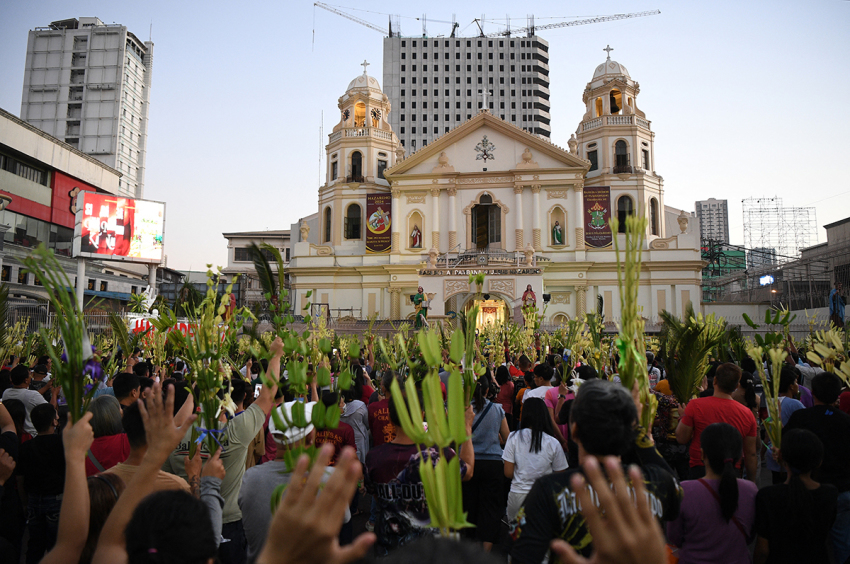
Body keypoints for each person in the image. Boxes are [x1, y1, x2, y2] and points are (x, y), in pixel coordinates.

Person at [510, 379, 682, 564]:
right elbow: (675, 493)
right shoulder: (656, 483)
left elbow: (520, 555)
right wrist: (638, 430)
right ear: (629, 431)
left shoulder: (548, 490)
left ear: (574, 430)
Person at [160, 336, 284, 564]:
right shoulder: (235, 431)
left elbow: (179, 420)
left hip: (181, 520)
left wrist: (198, 385)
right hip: (229, 524)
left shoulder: (175, 434)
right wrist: (276, 355)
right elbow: (268, 394)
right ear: (228, 401)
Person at [364, 385, 474, 555]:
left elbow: (378, 498)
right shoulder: (439, 455)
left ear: (391, 420)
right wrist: (467, 429)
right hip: (430, 552)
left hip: (389, 552)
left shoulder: (374, 458)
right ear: (421, 415)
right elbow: (468, 472)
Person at [667, 423, 758, 564]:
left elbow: (674, 537)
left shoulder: (684, 490)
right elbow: (751, 535)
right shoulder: (750, 490)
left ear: (702, 454)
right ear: (739, 455)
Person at [783, 372, 850, 563]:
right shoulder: (846, 422)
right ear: (838, 394)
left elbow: (786, 445)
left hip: (803, 490)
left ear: (813, 392)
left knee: (805, 541)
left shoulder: (800, 417)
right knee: (842, 543)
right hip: (842, 489)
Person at [754, 429, 838, 564]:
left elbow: (762, 550)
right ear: (819, 461)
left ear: (781, 457)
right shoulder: (829, 494)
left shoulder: (767, 496)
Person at [676, 363, 758, 481]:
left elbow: (681, 438)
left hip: (700, 468)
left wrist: (682, 417)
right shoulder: (747, 414)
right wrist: (751, 482)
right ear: (736, 386)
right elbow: (751, 454)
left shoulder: (695, 405)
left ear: (714, 381)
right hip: (732, 471)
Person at [462, 375, 509, 551]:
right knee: (490, 508)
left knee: (470, 506)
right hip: (493, 464)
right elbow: (506, 437)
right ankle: (486, 553)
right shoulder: (497, 409)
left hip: (468, 464)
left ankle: (471, 548)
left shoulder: (463, 410)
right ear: (488, 390)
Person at [503, 397, 567, 521]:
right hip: (544, 497)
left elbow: (508, 472)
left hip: (518, 495)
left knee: (517, 536)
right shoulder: (553, 443)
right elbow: (560, 474)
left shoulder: (513, 437)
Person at [17, 403, 65, 563]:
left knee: (35, 543)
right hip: (57, 500)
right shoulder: (62, 444)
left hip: (33, 500)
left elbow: (20, 477)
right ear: (54, 422)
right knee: (56, 545)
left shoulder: (26, 447)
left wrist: (25, 502)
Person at [764, 366, 805, 484]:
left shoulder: (772, 402)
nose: (797, 385)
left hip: (773, 452)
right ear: (791, 386)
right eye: (796, 382)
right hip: (789, 453)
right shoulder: (795, 404)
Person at [2, 364, 56, 435]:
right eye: (29, 375)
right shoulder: (32, 396)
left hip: (11, 432)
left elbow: (27, 395)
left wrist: (46, 387)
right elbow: (50, 409)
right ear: (26, 380)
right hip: (30, 434)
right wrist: (54, 394)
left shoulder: (6, 392)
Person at [85, 395, 130, 476]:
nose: (122, 411)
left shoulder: (83, 450)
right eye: (119, 408)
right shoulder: (127, 442)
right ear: (116, 415)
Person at [315, 392, 357, 466]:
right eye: (342, 403)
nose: (344, 405)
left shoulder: (314, 427)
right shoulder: (346, 429)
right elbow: (351, 454)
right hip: (338, 471)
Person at [339, 387, 369, 465]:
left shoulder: (339, 408)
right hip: (359, 439)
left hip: (344, 439)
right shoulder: (360, 405)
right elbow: (367, 422)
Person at [494, 365, 515, 430]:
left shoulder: (495, 384)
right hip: (508, 410)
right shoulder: (510, 384)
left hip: (497, 410)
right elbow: (512, 396)